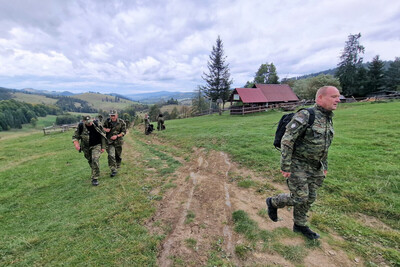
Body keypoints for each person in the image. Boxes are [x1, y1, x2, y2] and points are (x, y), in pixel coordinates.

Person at [266, 86, 341, 239]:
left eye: (338, 97)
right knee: (299, 197)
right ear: (320, 98)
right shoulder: (306, 115)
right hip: (298, 164)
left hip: (316, 166)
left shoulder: (327, 118)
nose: (338, 100)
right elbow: (288, 139)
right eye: (333, 96)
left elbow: (325, 144)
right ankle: (273, 202)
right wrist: (285, 165)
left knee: (310, 197)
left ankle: (300, 225)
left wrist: (324, 165)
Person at [72, 115, 107, 186]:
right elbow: (75, 137)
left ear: (92, 120)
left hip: (97, 145)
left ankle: (94, 178)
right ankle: (96, 171)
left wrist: (103, 147)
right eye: (87, 122)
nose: (89, 123)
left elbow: (103, 135)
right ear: (84, 121)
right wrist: (77, 144)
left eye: (90, 121)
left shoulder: (97, 124)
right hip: (86, 147)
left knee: (95, 159)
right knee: (90, 160)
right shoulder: (81, 126)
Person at [103, 110, 127, 177]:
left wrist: (117, 136)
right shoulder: (107, 121)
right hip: (109, 141)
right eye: (111, 115)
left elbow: (124, 132)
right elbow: (101, 128)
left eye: (114, 115)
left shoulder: (121, 122)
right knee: (111, 155)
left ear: (117, 115)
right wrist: (105, 129)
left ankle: (118, 164)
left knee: (118, 155)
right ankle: (113, 169)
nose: (112, 117)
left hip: (118, 141)